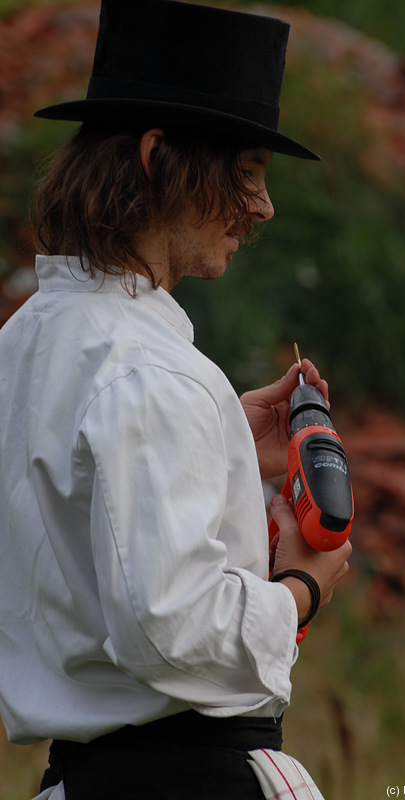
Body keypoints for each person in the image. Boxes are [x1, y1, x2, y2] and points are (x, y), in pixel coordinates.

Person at [0, 1, 352, 798]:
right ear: (159, 155)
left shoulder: (27, 342)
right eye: (249, 171)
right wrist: (302, 589)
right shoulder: (151, 372)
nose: (261, 206)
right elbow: (169, 630)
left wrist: (223, 439)